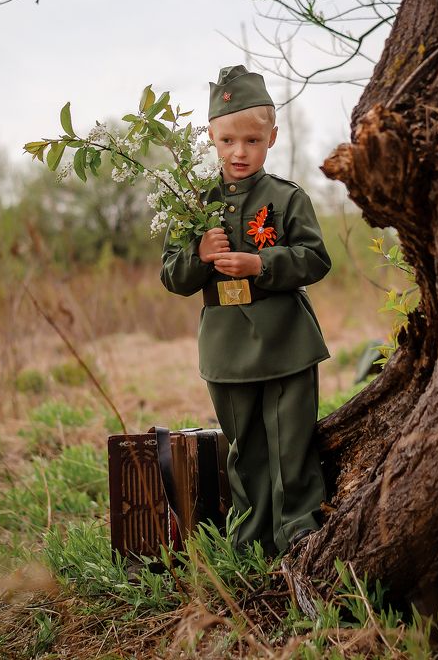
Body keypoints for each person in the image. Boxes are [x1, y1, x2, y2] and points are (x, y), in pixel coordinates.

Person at [160, 64, 331, 556]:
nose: (240, 152)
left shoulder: (287, 197)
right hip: (227, 347)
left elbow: (316, 259)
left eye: (252, 141)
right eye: (228, 140)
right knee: (246, 449)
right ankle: (252, 543)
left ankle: (300, 535)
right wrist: (200, 255)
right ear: (211, 138)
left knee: (292, 446)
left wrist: (262, 263)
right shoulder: (193, 205)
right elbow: (172, 275)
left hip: (286, 339)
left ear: (271, 138)